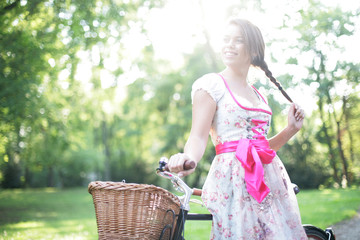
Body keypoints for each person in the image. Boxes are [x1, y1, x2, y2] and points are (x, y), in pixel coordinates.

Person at [167, 18, 308, 239]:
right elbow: (197, 135)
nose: (229, 45)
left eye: (238, 40)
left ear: (253, 51)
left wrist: (290, 129)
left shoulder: (259, 95)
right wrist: (188, 158)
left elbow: (262, 151)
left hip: (268, 180)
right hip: (232, 179)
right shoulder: (211, 85)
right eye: (226, 39)